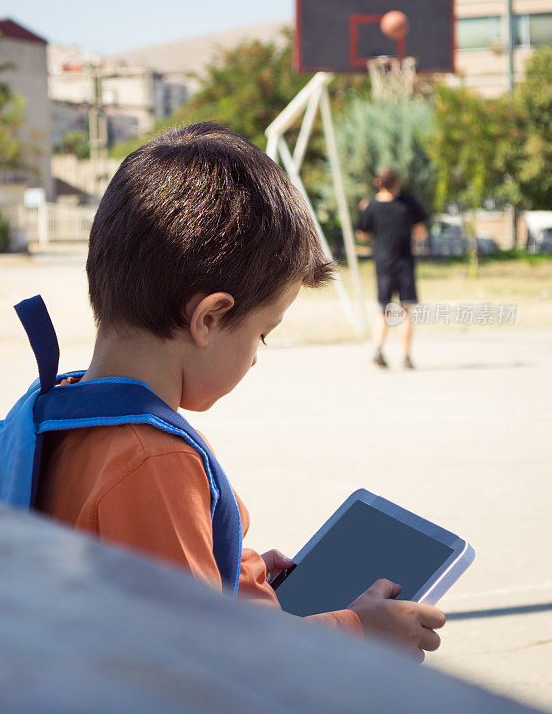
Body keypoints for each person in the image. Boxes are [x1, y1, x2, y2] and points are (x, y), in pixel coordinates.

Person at [35, 124, 444, 661]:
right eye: (262, 334)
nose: (255, 356)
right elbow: (214, 664)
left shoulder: (65, 414)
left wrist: (233, 569)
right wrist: (362, 633)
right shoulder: (151, 460)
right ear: (209, 318)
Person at [356, 167, 428, 370]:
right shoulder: (408, 203)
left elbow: (362, 234)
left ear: (378, 183)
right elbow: (421, 233)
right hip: (404, 263)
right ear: (397, 182)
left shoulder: (371, 206)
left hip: (383, 264)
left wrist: (364, 212)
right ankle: (406, 357)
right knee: (405, 310)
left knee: (383, 308)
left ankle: (378, 349)